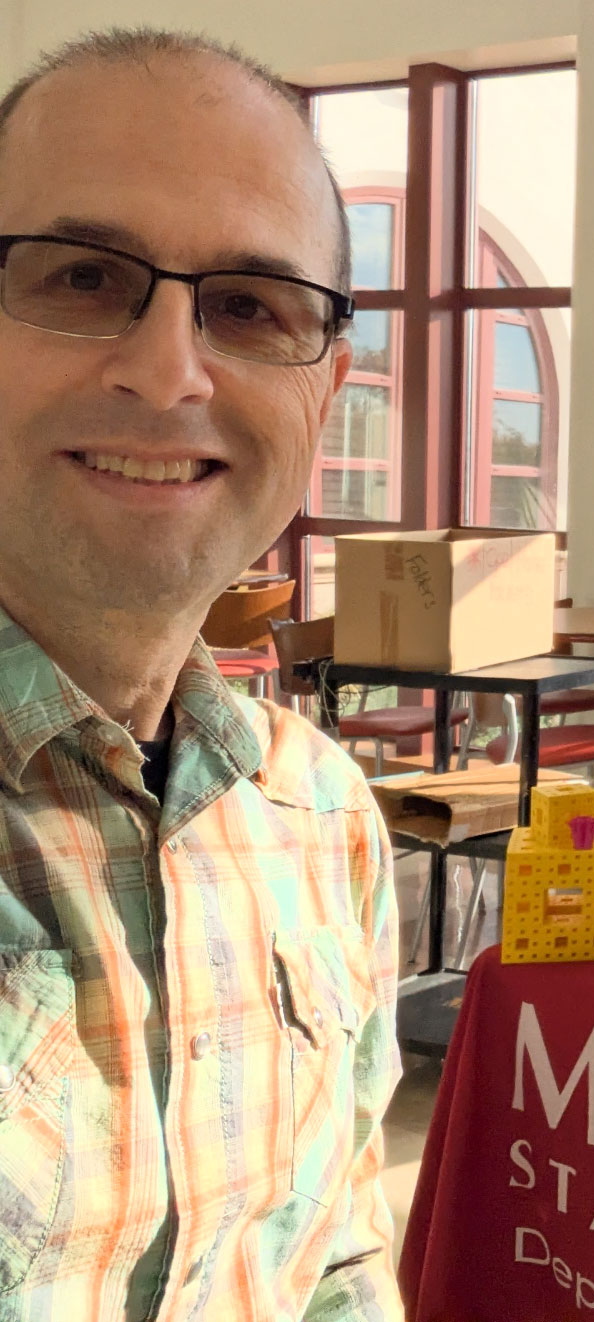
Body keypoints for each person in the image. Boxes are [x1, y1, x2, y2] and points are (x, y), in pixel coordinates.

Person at [0, 29, 400, 1317]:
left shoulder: (326, 821)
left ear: (325, 394)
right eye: (79, 275)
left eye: (248, 306)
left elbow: (335, 1259)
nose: (169, 371)